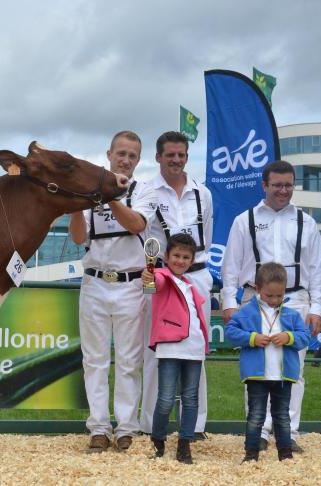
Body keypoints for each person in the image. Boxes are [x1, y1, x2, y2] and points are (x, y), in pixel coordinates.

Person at [220, 159, 321, 452]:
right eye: (277, 185)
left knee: (294, 369)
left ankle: (288, 432)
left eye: (288, 185)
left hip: (296, 302)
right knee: (257, 365)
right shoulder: (245, 220)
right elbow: (231, 266)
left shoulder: (306, 221)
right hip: (254, 300)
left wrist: (317, 308)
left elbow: (317, 269)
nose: (283, 190)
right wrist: (229, 303)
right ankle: (260, 432)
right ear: (264, 185)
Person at [69, 130, 158, 453]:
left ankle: (126, 426)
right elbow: (79, 238)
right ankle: (98, 426)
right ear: (109, 154)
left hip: (131, 283)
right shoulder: (91, 193)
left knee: (128, 359)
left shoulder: (144, 190)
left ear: (138, 160)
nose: (126, 159)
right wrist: (77, 205)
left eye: (132, 155)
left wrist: (107, 197)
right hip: (94, 281)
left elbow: (137, 224)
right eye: (121, 153)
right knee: (93, 359)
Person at [140, 131, 213, 441]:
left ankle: (194, 427)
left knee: (196, 349)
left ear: (187, 156)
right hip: (160, 278)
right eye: (170, 154)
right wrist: (153, 275)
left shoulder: (203, 193)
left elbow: (205, 237)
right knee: (155, 347)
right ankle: (149, 425)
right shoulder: (146, 191)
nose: (176, 160)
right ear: (158, 157)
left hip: (197, 276)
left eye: (181, 155)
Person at [225, 262, 311, 463]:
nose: (274, 300)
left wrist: (289, 337)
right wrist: (252, 338)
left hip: (283, 376)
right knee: (256, 416)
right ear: (258, 289)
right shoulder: (246, 312)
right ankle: (251, 455)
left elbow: (305, 336)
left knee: (282, 417)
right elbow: (231, 332)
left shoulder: (292, 314)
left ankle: (285, 454)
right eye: (269, 295)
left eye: (279, 296)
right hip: (257, 376)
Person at [141, 233, 208, 464]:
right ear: (166, 256)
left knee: (191, 399)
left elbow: (198, 318)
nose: (180, 260)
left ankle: (184, 444)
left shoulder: (190, 285)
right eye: (176, 255)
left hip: (194, 347)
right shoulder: (160, 275)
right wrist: (148, 276)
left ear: (192, 260)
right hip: (170, 347)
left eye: (186, 257)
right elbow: (151, 288)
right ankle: (158, 440)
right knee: (166, 398)